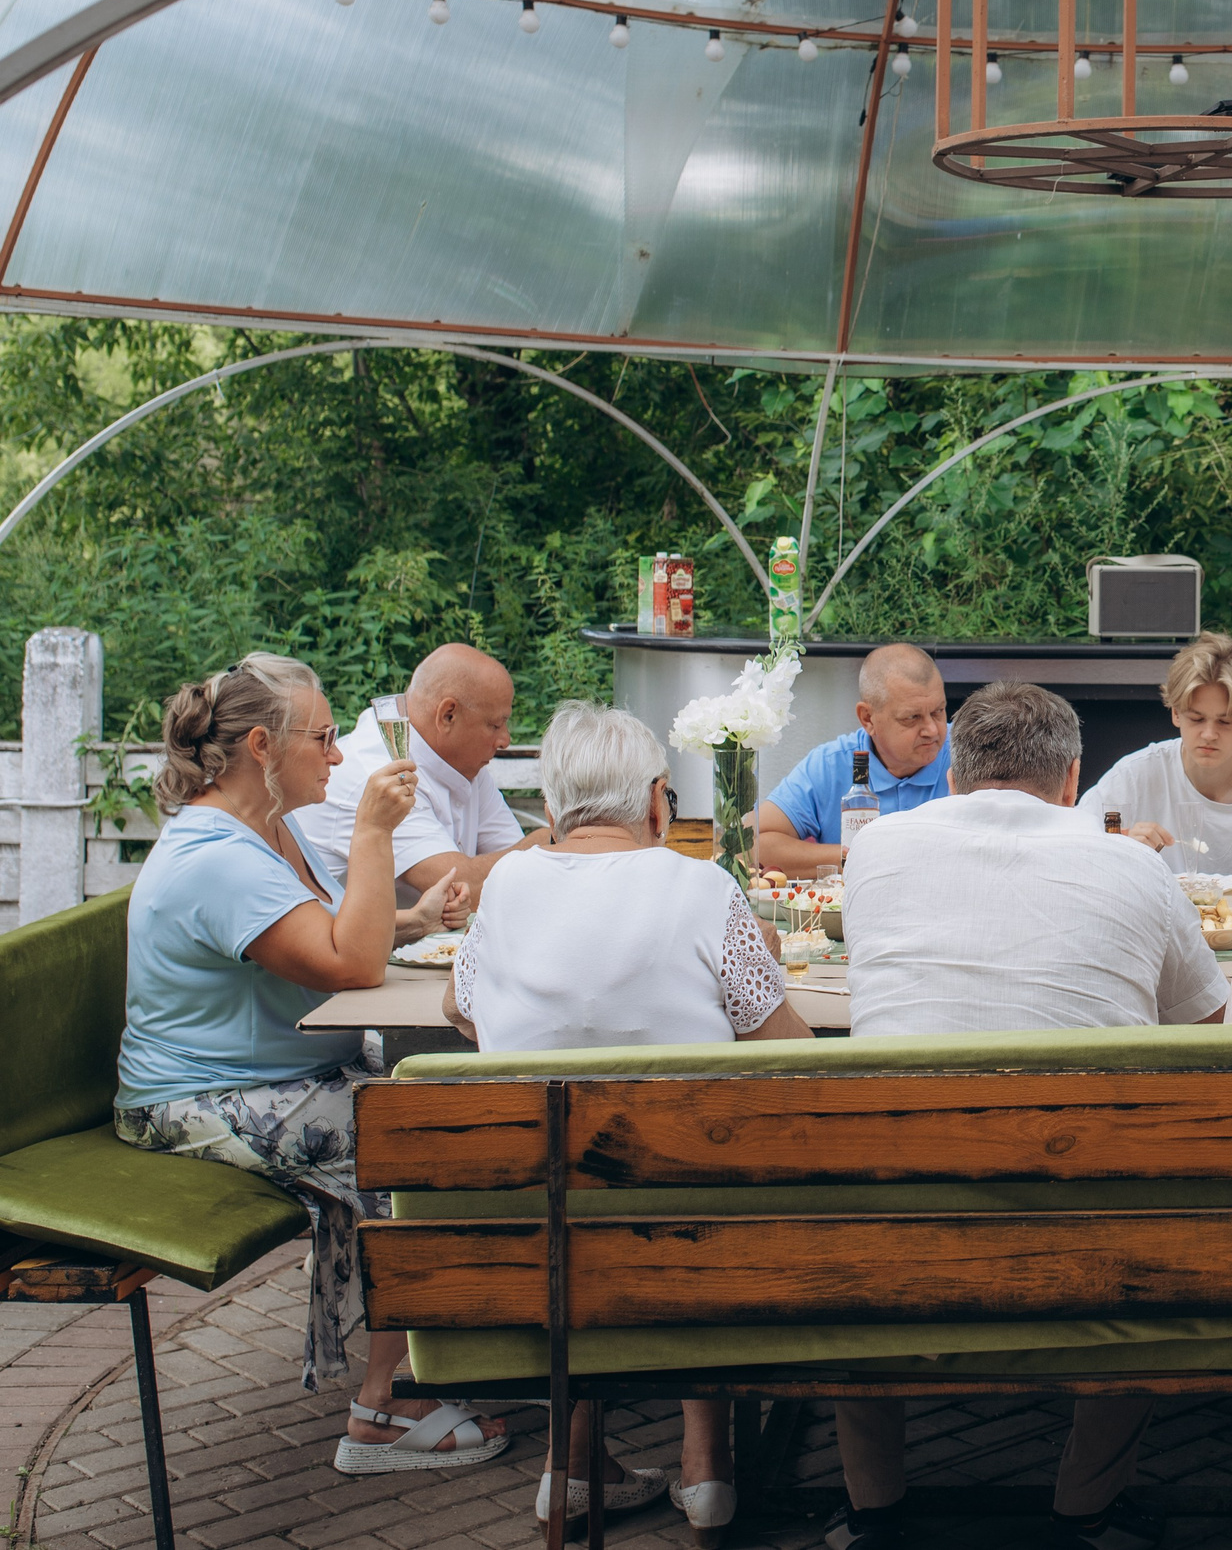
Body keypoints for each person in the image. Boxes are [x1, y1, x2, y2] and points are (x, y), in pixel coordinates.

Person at [829, 680, 1226, 1550]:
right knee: (1147, 1201)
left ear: (953, 776)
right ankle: (1085, 1506)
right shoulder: (1132, 865)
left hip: (894, 1226)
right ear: (1074, 778)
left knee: (857, 1196)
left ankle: (874, 1511)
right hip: (1088, 1231)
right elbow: (1210, 1030)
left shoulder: (877, 852)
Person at [112, 655, 509, 1476]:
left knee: (446, 1110)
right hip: (198, 1096)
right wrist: (373, 831)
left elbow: (330, 931)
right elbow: (347, 966)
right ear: (262, 746)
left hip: (281, 1075)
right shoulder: (216, 856)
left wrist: (411, 919)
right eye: (325, 739)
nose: (338, 756)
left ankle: (439, 1353)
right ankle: (381, 1406)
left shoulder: (266, 829)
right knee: (416, 1144)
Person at [444, 702, 813, 1531]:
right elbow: (787, 1050)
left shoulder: (504, 887)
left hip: (538, 1230)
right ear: (657, 801)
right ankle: (707, 1464)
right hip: (692, 1227)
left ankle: (568, 1468)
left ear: (550, 809)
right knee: (701, 1158)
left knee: (573, 1177)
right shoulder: (702, 886)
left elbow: (459, 1010)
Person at [298, 643, 547, 917]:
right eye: (495, 725)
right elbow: (462, 887)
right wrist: (558, 836)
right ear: (447, 715)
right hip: (353, 954)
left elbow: (524, 873)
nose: (505, 740)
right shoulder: (380, 773)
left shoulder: (463, 763)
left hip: (411, 950)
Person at [1081, 631, 1232, 882]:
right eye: (1197, 719)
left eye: (1225, 721)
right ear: (1175, 713)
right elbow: (1074, 852)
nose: (1209, 734)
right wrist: (1122, 850)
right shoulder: (1132, 779)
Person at [758, 642, 950, 876]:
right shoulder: (830, 765)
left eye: (938, 711)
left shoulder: (970, 751)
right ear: (868, 718)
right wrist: (864, 854)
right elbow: (757, 844)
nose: (932, 729)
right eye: (912, 717)